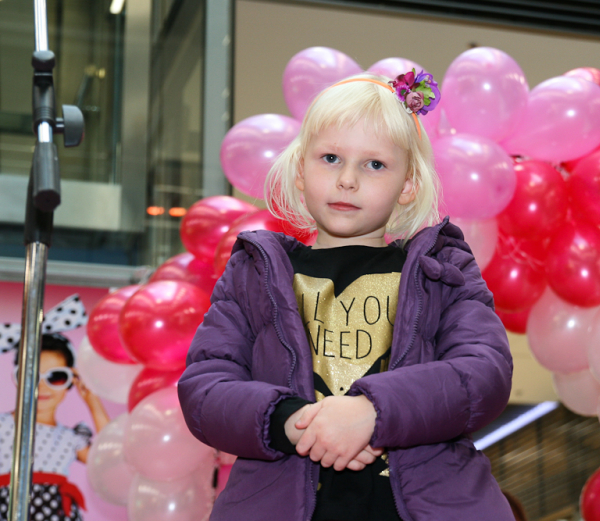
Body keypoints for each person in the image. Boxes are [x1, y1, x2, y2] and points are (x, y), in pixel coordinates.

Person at [178, 71, 514, 521]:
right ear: (300, 172)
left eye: (374, 164)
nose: (348, 180)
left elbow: (483, 373)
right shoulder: (253, 272)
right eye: (331, 158)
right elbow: (205, 388)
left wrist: (373, 413)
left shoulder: (445, 269)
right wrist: (294, 424)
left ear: (408, 184)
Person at [0, 296, 109, 521]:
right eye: (31, 376)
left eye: (56, 377)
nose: (42, 386)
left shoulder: (70, 438)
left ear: (72, 380)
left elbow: (109, 458)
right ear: (17, 379)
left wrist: (93, 402)